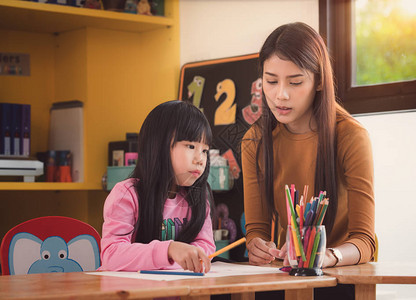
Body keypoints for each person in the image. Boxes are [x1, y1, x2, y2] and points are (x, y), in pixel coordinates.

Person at [241, 22, 375, 298]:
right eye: (271, 80)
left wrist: (327, 257)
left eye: (295, 82)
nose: (281, 94)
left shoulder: (351, 136)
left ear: (319, 81)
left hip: (341, 277)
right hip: (284, 276)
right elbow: (257, 230)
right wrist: (257, 246)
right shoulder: (254, 142)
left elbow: (364, 240)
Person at [100, 100, 215, 274]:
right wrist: (168, 251)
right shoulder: (127, 195)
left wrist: (189, 256)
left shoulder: (198, 198)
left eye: (205, 150)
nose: (200, 159)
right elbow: (112, 255)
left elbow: (206, 247)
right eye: (191, 146)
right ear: (159, 145)